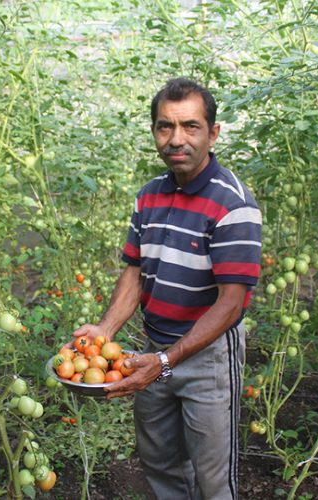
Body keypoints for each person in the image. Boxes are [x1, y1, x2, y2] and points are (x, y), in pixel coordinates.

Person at [71, 77, 262, 499]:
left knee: (213, 476)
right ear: (155, 132)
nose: (177, 139)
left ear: (213, 133)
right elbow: (136, 271)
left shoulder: (233, 204)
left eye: (190, 126)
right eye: (165, 126)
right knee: (160, 463)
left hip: (208, 358)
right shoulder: (149, 196)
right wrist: (106, 330)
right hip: (153, 349)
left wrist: (167, 359)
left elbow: (231, 303)